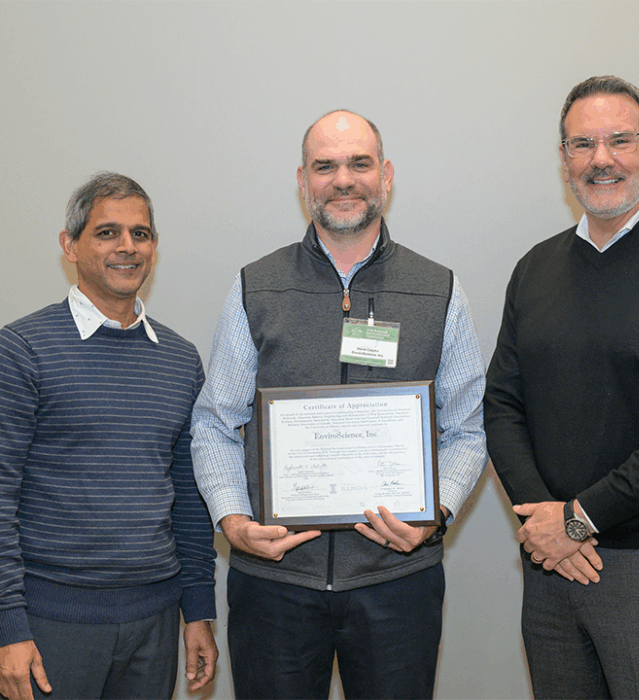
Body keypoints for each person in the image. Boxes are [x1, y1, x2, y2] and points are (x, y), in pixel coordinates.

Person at [191, 110, 488, 700]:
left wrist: (436, 516)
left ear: (387, 175)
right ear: (302, 181)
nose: (343, 179)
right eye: (325, 166)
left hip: (397, 582)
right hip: (275, 582)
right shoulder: (257, 285)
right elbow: (215, 423)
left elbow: (468, 428)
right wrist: (233, 520)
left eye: (359, 163)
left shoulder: (439, 288)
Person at [485, 75, 639, 698]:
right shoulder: (537, 267)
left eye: (620, 141)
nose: (600, 159)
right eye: (582, 144)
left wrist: (576, 522)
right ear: (563, 161)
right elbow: (501, 404)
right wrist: (543, 524)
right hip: (550, 568)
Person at [0, 172, 218, 700]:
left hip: (155, 621)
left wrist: (198, 612)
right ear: (69, 245)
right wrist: (8, 625)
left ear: (154, 247)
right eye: (107, 233)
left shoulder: (180, 358)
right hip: (51, 622)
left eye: (140, 234)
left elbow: (190, 499)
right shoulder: (22, 349)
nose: (127, 247)